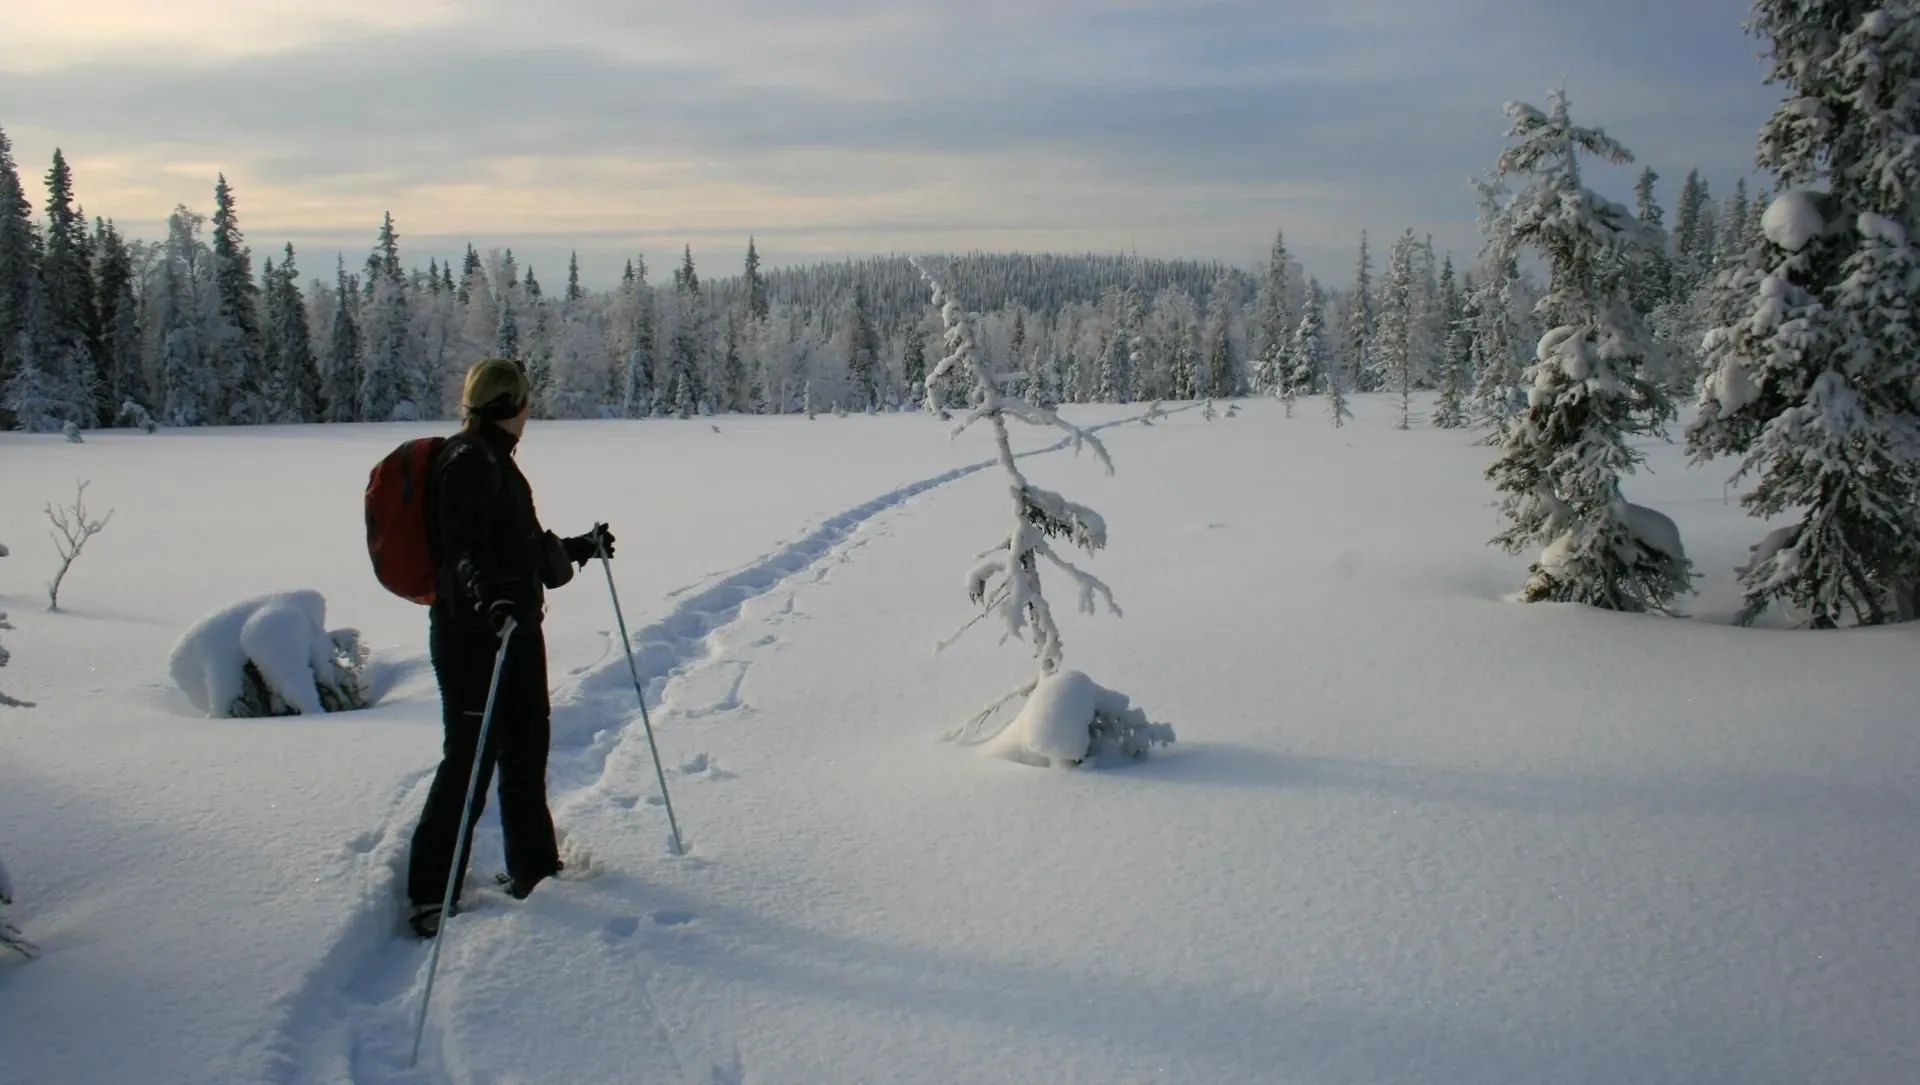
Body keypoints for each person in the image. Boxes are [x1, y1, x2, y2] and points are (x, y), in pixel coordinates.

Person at [404, 357, 615, 938]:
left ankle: (534, 871)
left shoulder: (495, 459)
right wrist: (490, 601)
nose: (530, 413)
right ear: (510, 406)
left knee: (525, 751)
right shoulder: (469, 461)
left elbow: (517, 550)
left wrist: (575, 548)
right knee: (469, 762)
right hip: (476, 639)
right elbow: (466, 549)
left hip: (514, 634)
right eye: (525, 403)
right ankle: (430, 892)